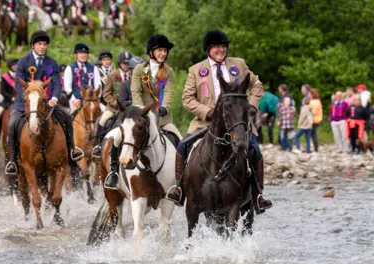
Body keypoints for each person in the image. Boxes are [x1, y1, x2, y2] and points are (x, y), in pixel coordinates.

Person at [165, 30, 272, 213]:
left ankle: (258, 195)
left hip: (236, 123)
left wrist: (251, 107)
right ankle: (180, 189)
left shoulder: (238, 64)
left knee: (254, 149)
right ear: (208, 49)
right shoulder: (196, 70)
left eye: (223, 46)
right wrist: (208, 112)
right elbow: (187, 99)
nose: (221, 50)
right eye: (216, 47)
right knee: (183, 146)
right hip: (206, 123)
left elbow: (257, 86)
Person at [104, 34, 181, 190]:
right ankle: (113, 173)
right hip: (140, 117)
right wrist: (140, 111)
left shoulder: (169, 71)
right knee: (118, 139)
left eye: (165, 51)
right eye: (160, 50)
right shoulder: (139, 69)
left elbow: (169, 92)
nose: (163, 54)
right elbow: (136, 91)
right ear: (151, 52)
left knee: (180, 142)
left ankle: (180, 183)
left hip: (163, 117)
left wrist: (164, 107)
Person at [5, 30, 84, 175]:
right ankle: (12, 160)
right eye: (39, 44)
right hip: (26, 104)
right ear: (33, 46)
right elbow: (18, 82)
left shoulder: (51, 63)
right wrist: (27, 97)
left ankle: (72, 150)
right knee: (11, 124)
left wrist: (54, 97)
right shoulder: (23, 61)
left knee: (66, 117)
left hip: (46, 104)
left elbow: (57, 84)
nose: (42, 47)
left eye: (44, 44)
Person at [92, 51, 133, 158]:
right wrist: (115, 103)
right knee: (103, 120)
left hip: (130, 108)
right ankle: (98, 145)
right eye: (124, 63)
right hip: (114, 108)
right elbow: (106, 94)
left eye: (128, 64)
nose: (126, 66)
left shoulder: (134, 75)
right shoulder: (112, 76)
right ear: (120, 64)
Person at [63, 42, 101, 114]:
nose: (83, 55)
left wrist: (94, 98)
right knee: (68, 116)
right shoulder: (69, 68)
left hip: (91, 100)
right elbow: (68, 88)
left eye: (85, 53)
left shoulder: (94, 68)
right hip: (75, 101)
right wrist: (74, 100)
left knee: (102, 115)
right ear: (76, 55)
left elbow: (98, 86)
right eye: (81, 53)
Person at [0, 58, 18, 140]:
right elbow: (3, 91)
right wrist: (11, 98)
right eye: (13, 65)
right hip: (8, 100)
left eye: (16, 65)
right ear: (10, 66)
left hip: (20, 100)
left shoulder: (21, 76)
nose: (15, 67)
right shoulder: (4, 77)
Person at [309, 88, 323, 154]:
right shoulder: (317, 101)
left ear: (312, 94)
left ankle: (315, 149)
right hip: (316, 119)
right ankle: (314, 148)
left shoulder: (314, 102)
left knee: (313, 134)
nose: (309, 94)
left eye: (310, 93)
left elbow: (313, 112)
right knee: (313, 134)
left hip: (314, 120)